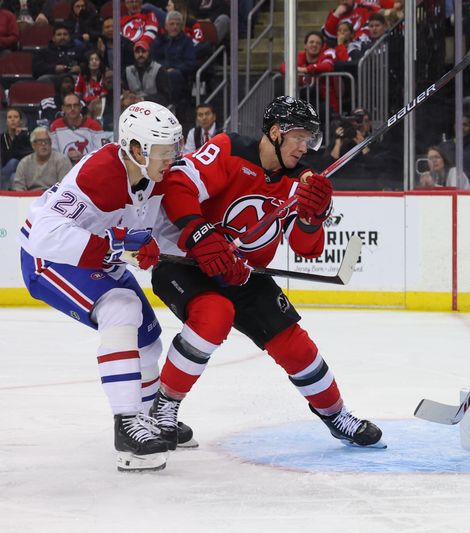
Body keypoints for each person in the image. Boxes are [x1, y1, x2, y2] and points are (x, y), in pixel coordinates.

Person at [148, 96, 385, 450]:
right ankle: (164, 407)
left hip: (244, 274)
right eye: (299, 138)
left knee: (295, 344)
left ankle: (336, 416)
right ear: (275, 132)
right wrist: (202, 235)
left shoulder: (300, 182)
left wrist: (312, 217)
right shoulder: (228, 149)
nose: (305, 147)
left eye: (310, 140)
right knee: (214, 316)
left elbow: (307, 248)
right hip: (188, 263)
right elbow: (177, 187)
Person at [17, 102, 190, 472]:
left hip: (97, 259)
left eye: (174, 148)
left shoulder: (154, 176)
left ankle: (148, 419)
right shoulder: (100, 174)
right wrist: (119, 245)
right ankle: (126, 425)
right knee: (121, 309)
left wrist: (207, 248)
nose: (171, 158)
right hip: (49, 261)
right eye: (164, 150)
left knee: (147, 338)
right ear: (137, 149)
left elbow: (158, 231)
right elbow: (42, 234)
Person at [50, 92, 104, 165]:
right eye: (69, 106)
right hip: (63, 170)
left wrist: (83, 157)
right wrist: (66, 157)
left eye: (75, 105)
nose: (72, 109)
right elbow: (53, 156)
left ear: (80, 107)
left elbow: (100, 154)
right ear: (63, 108)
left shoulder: (94, 126)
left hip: (88, 168)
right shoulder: (55, 126)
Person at [11, 127, 71, 191]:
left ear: (51, 143)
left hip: (53, 197)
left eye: (46, 141)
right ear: (33, 145)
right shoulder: (24, 163)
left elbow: (64, 188)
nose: (43, 144)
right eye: (40, 141)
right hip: (29, 199)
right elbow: (19, 188)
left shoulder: (62, 160)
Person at [124, 40, 170, 106]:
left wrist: (144, 99)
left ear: (149, 53)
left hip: (155, 108)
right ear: (134, 54)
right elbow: (124, 91)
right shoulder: (127, 71)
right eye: (137, 52)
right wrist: (125, 98)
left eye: (143, 51)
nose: (140, 54)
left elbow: (165, 97)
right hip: (134, 108)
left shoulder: (159, 69)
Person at [1, 107, 33, 189]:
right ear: (6, 122)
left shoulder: (26, 136)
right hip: (5, 169)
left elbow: (28, 155)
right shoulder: (2, 137)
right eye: (10, 117)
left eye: (15, 117)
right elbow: (5, 157)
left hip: (23, 169)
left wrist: (18, 137)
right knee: (13, 163)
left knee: (14, 172)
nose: (12, 120)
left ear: (21, 121)